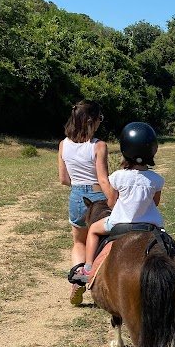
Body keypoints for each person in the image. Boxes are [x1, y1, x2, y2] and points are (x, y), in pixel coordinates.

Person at [70, 122, 164, 285]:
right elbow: (155, 203)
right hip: (150, 225)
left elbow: (112, 202)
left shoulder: (118, 177)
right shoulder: (157, 179)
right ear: (152, 151)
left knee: (92, 230)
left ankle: (88, 268)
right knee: (165, 241)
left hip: (120, 223)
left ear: (125, 150)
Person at [58, 100, 111, 306]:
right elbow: (103, 179)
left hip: (76, 196)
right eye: (99, 119)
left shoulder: (63, 145)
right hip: (97, 197)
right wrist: (114, 200)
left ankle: (78, 278)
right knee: (105, 239)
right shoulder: (98, 146)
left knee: (79, 242)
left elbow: (63, 179)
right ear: (91, 121)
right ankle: (103, 278)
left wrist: (80, 186)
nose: (100, 122)